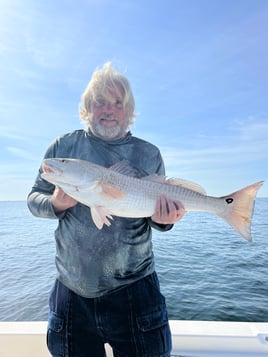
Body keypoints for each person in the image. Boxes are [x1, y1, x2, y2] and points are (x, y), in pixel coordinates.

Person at [27, 62, 183, 357]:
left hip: (136, 289)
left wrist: (166, 220)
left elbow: (156, 217)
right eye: (100, 102)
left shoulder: (149, 154)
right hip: (72, 291)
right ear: (88, 107)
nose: (109, 110)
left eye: (117, 103)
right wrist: (55, 204)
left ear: (128, 110)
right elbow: (34, 198)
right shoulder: (63, 148)